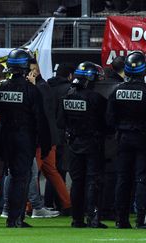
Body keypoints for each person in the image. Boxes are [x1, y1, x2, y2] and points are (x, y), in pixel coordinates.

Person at [0, 49, 50, 228]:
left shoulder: (1, 88)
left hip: (5, 139)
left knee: (12, 176)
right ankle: (15, 218)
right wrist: (45, 143)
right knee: (21, 178)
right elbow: (40, 119)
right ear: (26, 67)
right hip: (24, 139)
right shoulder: (31, 90)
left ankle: (13, 215)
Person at [57, 61, 108, 228]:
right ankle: (93, 219)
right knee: (93, 181)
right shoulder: (96, 98)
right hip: (93, 144)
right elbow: (106, 124)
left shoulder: (66, 96)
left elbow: (60, 122)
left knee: (77, 182)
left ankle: (76, 219)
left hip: (73, 144)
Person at [27, 58, 72, 215]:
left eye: (33, 69)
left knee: (32, 172)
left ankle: (30, 206)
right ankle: (66, 204)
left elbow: (41, 114)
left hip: (43, 139)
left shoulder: (42, 87)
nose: (32, 72)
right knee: (50, 171)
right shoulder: (42, 86)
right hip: (47, 137)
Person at [107, 51, 146, 229]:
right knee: (142, 179)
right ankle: (141, 220)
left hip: (122, 139)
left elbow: (109, 119)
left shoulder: (117, 90)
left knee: (123, 179)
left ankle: (120, 219)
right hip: (143, 139)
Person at [46, 63, 75, 211]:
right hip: (62, 135)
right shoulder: (69, 90)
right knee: (60, 170)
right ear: (70, 76)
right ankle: (63, 204)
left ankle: (48, 203)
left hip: (47, 134)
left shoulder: (46, 87)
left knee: (50, 170)